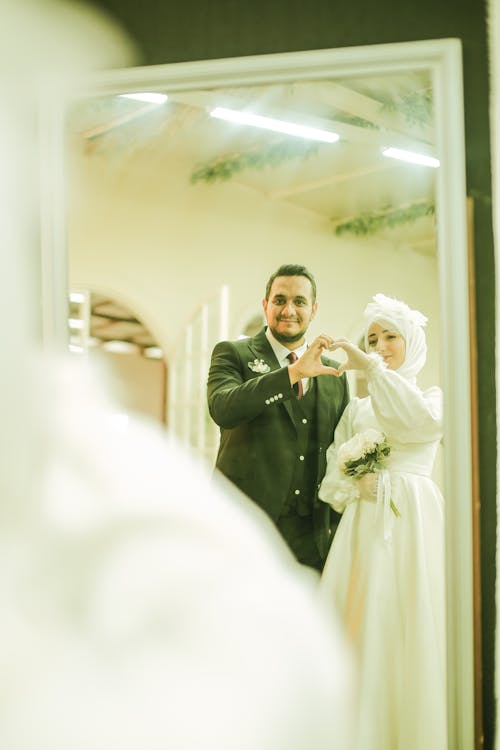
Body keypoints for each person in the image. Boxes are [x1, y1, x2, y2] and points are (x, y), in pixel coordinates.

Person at [318, 293, 446, 750]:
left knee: (410, 612)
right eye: (372, 338)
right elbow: (334, 465)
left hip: (412, 517)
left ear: (411, 341)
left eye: (391, 336)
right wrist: (355, 483)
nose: (380, 345)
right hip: (365, 521)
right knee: (362, 612)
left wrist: (371, 370)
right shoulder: (357, 409)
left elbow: (415, 425)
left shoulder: (433, 397)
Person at [207, 263, 350, 571]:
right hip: (243, 527)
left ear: (313, 310)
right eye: (280, 300)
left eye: (299, 301)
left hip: (311, 536)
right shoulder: (233, 353)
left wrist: (336, 528)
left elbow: (340, 449)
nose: (289, 310)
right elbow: (223, 408)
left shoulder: (335, 374)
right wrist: (292, 374)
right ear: (265, 305)